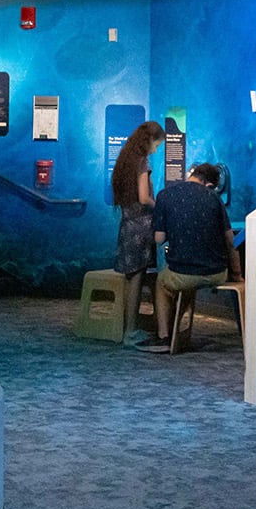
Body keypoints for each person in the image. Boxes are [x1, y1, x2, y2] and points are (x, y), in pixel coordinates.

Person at [141, 163, 241, 354]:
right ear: (210, 184)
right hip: (216, 273)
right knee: (187, 286)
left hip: (182, 273)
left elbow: (159, 239)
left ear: (193, 175)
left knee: (162, 283)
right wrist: (237, 275)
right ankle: (174, 330)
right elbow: (230, 241)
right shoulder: (213, 197)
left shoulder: (165, 195)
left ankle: (164, 337)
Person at [111, 121, 164, 344]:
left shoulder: (125, 160)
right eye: (157, 144)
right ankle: (131, 333)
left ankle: (127, 328)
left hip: (127, 224)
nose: (157, 149)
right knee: (137, 277)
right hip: (141, 227)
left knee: (129, 276)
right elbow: (144, 198)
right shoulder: (143, 162)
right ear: (150, 140)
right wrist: (159, 205)